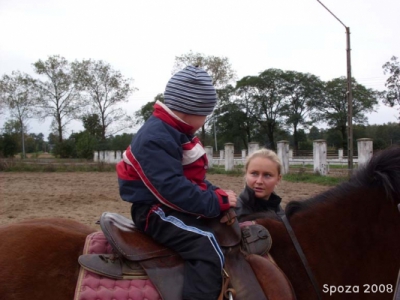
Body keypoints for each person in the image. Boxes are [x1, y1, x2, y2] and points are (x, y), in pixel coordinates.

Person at [116, 65, 237, 300]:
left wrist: (216, 192)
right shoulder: (156, 137)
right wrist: (214, 201)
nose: (204, 120)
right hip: (154, 211)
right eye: (205, 114)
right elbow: (171, 190)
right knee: (206, 247)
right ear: (189, 110)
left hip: (164, 205)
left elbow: (190, 180)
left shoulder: (173, 132)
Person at [235, 148, 282, 222]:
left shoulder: (281, 213)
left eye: (267, 175)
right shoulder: (234, 215)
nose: (259, 181)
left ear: (278, 179)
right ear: (246, 174)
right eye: (254, 173)